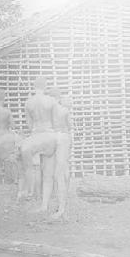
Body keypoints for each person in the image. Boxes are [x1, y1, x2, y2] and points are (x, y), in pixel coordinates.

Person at [19, 77, 59, 212]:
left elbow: (29, 124)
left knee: (33, 168)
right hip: (49, 135)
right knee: (48, 172)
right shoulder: (52, 101)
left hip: (35, 136)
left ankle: (33, 194)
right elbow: (56, 122)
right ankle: (45, 203)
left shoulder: (28, 102)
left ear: (34, 86)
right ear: (45, 87)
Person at [47, 88, 73, 219]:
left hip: (57, 140)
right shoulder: (64, 110)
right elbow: (70, 127)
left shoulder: (50, 112)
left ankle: (62, 208)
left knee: (59, 174)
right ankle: (63, 205)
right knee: (63, 171)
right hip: (63, 139)